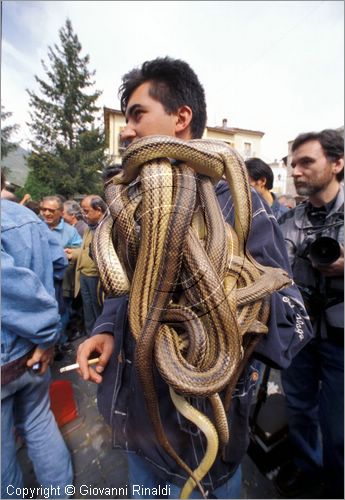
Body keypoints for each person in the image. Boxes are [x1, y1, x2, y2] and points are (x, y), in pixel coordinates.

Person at [76, 56, 313, 499]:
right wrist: (108, 327)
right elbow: (127, 285)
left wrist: (223, 306)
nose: (127, 130)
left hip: (202, 440)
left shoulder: (235, 199)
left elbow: (291, 319)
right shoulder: (132, 201)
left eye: (137, 114)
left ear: (181, 118)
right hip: (137, 426)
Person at [276, 129, 344, 499]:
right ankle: (308, 470)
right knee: (299, 408)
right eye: (292, 163)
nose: (296, 171)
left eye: (306, 162)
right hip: (299, 337)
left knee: (339, 426)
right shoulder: (289, 220)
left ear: (337, 163)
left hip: (341, 342)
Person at [1, 174, 73, 498]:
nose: (46, 212)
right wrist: (46, 337)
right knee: (39, 422)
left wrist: (46, 332)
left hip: (10, 356)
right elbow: (59, 263)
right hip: (34, 353)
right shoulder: (26, 218)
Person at [40, 196, 82, 356]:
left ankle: (60, 342)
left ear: (61, 212)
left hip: (61, 281)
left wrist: (69, 254)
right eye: (44, 209)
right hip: (40, 280)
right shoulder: (36, 226)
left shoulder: (70, 232)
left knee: (62, 312)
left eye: (51, 210)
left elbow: (80, 250)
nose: (47, 213)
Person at [65, 195, 107, 337]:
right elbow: (85, 249)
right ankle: (91, 338)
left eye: (86, 211)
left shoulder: (108, 228)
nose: (83, 214)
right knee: (88, 312)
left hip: (96, 278)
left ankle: (100, 341)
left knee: (98, 312)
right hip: (84, 275)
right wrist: (74, 253)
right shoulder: (89, 227)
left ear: (99, 210)